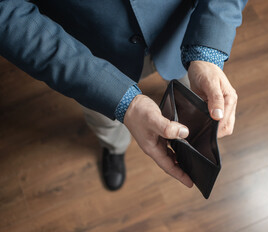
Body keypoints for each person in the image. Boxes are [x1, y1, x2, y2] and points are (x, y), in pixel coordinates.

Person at [0, 0, 248, 191]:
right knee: (104, 119)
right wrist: (122, 101)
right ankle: (114, 148)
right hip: (89, 55)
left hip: (185, 33)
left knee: (192, 101)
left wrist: (207, 51)